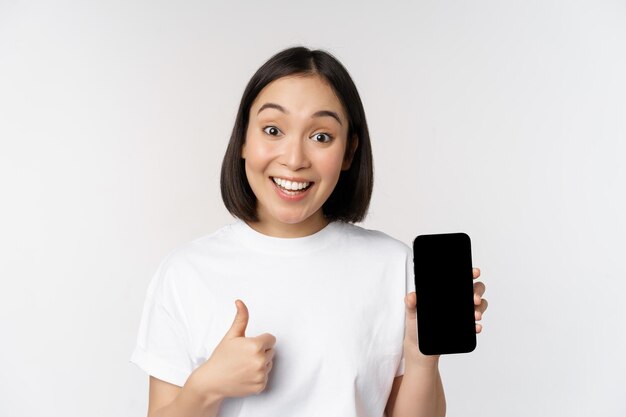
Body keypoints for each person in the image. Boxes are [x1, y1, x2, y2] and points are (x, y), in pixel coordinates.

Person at [130, 46, 488, 417]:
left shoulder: (393, 266)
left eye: (321, 137)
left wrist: (420, 356)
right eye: (273, 130)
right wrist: (207, 386)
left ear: (349, 153)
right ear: (243, 140)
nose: (295, 159)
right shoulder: (186, 272)